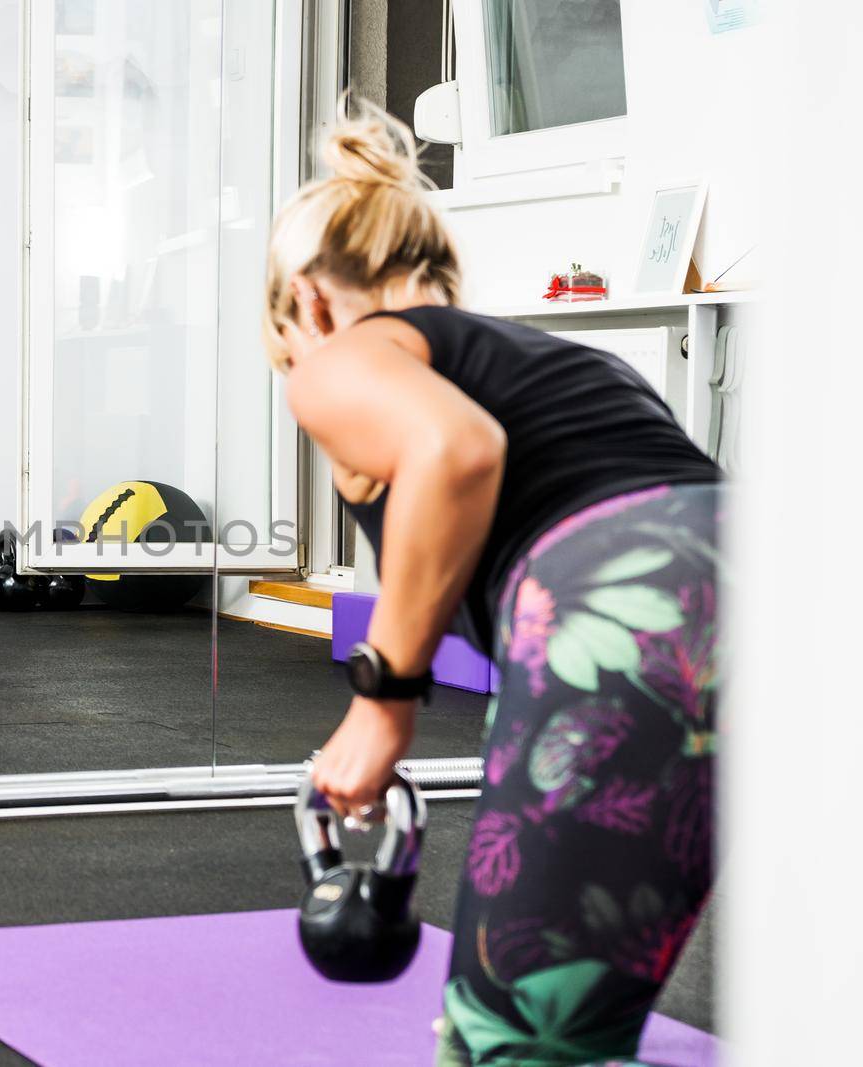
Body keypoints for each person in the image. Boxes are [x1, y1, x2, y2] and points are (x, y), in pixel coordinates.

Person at [263, 101, 720, 1066]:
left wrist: (382, 701)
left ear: (307, 304)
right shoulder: (569, 363)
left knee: (518, 1045)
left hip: (642, 611)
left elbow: (457, 448)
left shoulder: (344, 355)